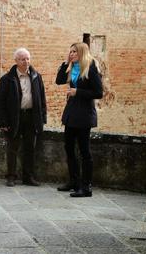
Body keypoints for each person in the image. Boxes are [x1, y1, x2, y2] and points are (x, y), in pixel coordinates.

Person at [55, 42, 103, 197]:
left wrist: (78, 92)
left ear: (81, 52)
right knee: (69, 148)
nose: (72, 54)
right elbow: (59, 80)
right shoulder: (72, 68)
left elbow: (98, 92)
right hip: (71, 113)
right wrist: (65, 62)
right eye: (70, 52)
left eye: (74, 52)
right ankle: (74, 181)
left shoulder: (91, 68)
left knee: (84, 151)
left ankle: (86, 187)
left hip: (84, 115)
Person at [0, 48, 47, 187]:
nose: (26, 61)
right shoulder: (7, 79)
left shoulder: (36, 77)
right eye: (23, 59)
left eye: (28, 58)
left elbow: (42, 99)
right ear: (16, 61)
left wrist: (43, 119)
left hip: (31, 117)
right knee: (12, 148)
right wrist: (2, 122)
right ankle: (11, 177)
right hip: (14, 118)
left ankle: (28, 177)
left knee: (30, 148)